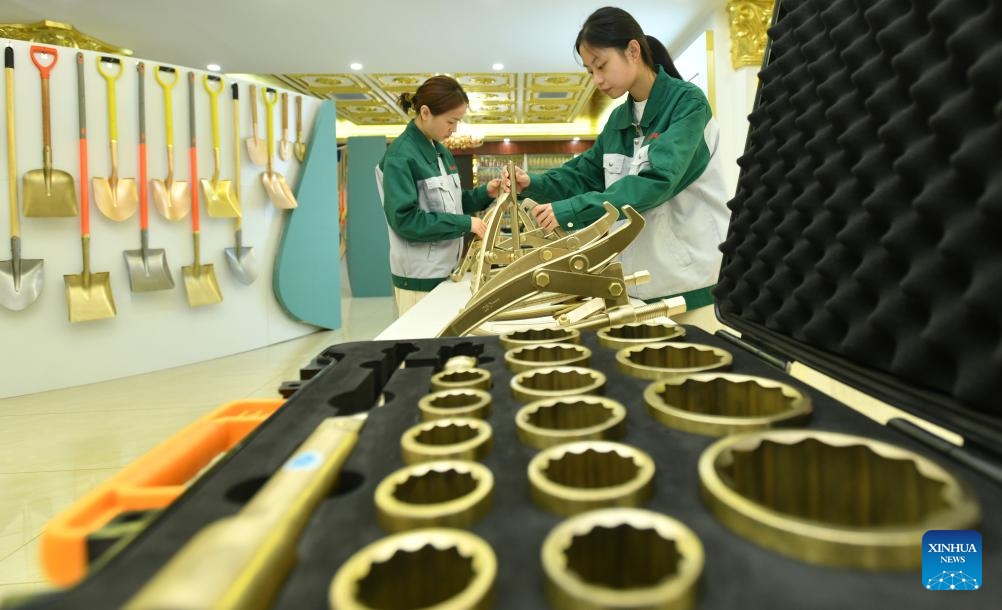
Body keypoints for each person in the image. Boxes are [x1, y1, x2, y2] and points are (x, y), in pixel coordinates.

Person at [509, 6, 731, 330]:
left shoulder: (688, 104)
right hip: (634, 286)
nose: (597, 80)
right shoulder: (618, 120)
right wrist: (532, 182)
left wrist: (572, 209)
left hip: (689, 285)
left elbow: (656, 181)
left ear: (633, 50)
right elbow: (585, 173)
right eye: (590, 71)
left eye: (601, 65)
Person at [375, 75, 502, 316]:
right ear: (425, 112)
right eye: (451, 121)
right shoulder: (400, 156)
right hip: (419, 279)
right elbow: (405, 219)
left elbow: (452, 204)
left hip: (449, 270)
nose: (454, 129)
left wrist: (486, 193)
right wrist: (466, 224)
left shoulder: (440, 151)